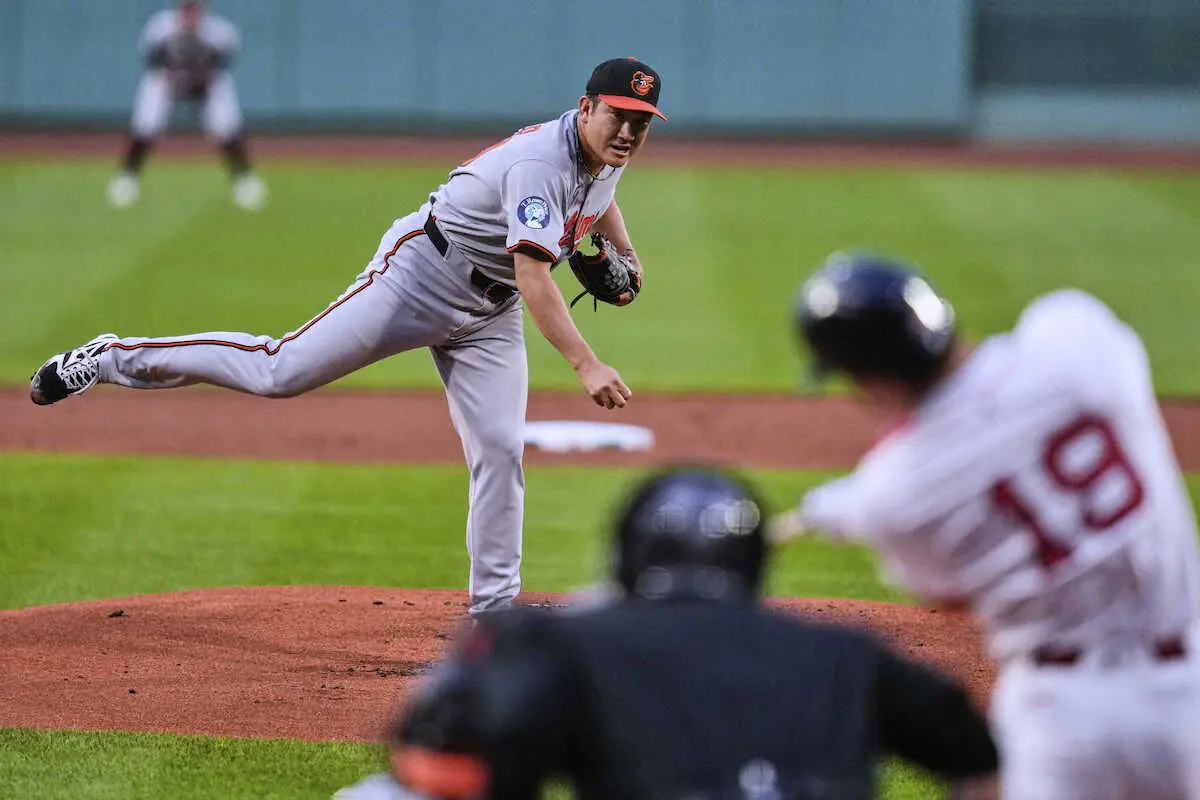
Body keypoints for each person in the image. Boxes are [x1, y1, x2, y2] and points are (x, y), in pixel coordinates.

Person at [31, 58, 665, 618]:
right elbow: (533, 276)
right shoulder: (539, 164)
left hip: (489, 315)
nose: (629, 132)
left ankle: (493, 613)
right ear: (586, 108)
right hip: (420, 276)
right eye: (619, 116)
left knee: (500, 450)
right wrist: (585, 364)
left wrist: (629, 257)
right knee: (280, 370)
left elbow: (598, 199)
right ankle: (113, 357)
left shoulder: (604, 154)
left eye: (642, 122)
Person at [775, 252, 1200, 799]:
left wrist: (845, 506)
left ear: (871, 378)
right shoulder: (1078, 341)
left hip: (1069, 716)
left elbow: (948, 593)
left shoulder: (894, 496)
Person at [333, 466, 999, 800]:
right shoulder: (848, 654)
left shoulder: (566, 645)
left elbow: (443, 761)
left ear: (627, 556)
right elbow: (988, 760)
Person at [106, 0, 267, 211]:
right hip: (168, 80)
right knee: (147, 122)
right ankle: (127, 178)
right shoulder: (160, 27)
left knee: (226, 124)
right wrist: (175, 79)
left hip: (206, 81)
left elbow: (224, 64)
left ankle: (244, 180)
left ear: (202, 10)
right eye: (186, 8)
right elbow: (152, 62)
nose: (190, 14)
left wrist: (200, 81)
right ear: (179, 9)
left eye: (194, 9)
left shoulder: (220, 32)